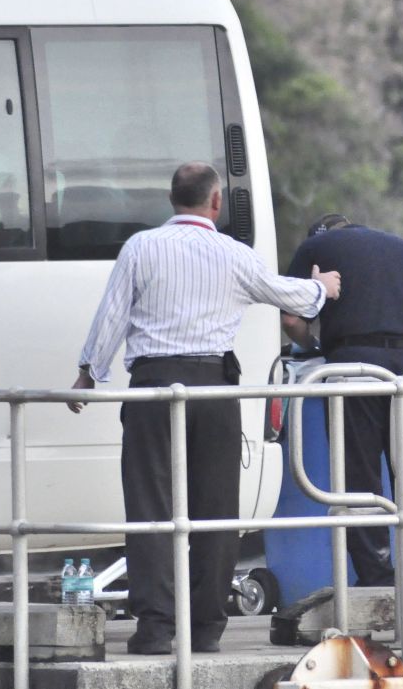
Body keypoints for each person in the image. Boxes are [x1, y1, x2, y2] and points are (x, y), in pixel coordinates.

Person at [68, 162, 340, 655]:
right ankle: (206, 628)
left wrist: (89, 373)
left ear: (172, 199)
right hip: (213, 389)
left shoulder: (141, 247)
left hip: (151, 388)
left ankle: (154, 629)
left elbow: (112, 314)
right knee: (216, 512)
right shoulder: (235, 254)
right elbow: (289, 294)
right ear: (215, 202)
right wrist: (323, 287)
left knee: (150, 510)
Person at [280, 213, 403, 587]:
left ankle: (376, 575)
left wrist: (314, 347)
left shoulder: (314, 248)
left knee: (359, 476)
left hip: (354, 364)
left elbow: (292, 320)